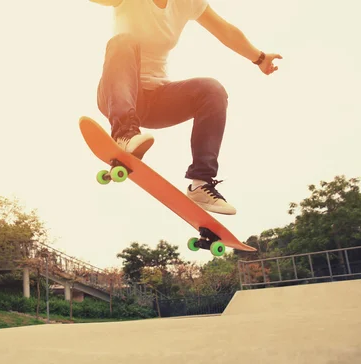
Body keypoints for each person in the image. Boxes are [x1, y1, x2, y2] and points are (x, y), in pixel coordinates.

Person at [91, 0, 282, 215]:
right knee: (122, 41)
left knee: (212, 90)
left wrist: (260, 58)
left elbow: (225, 30)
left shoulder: (187, 2)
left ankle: (201, 184)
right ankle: (124, 134)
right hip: (117, 94)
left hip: (157, 102)